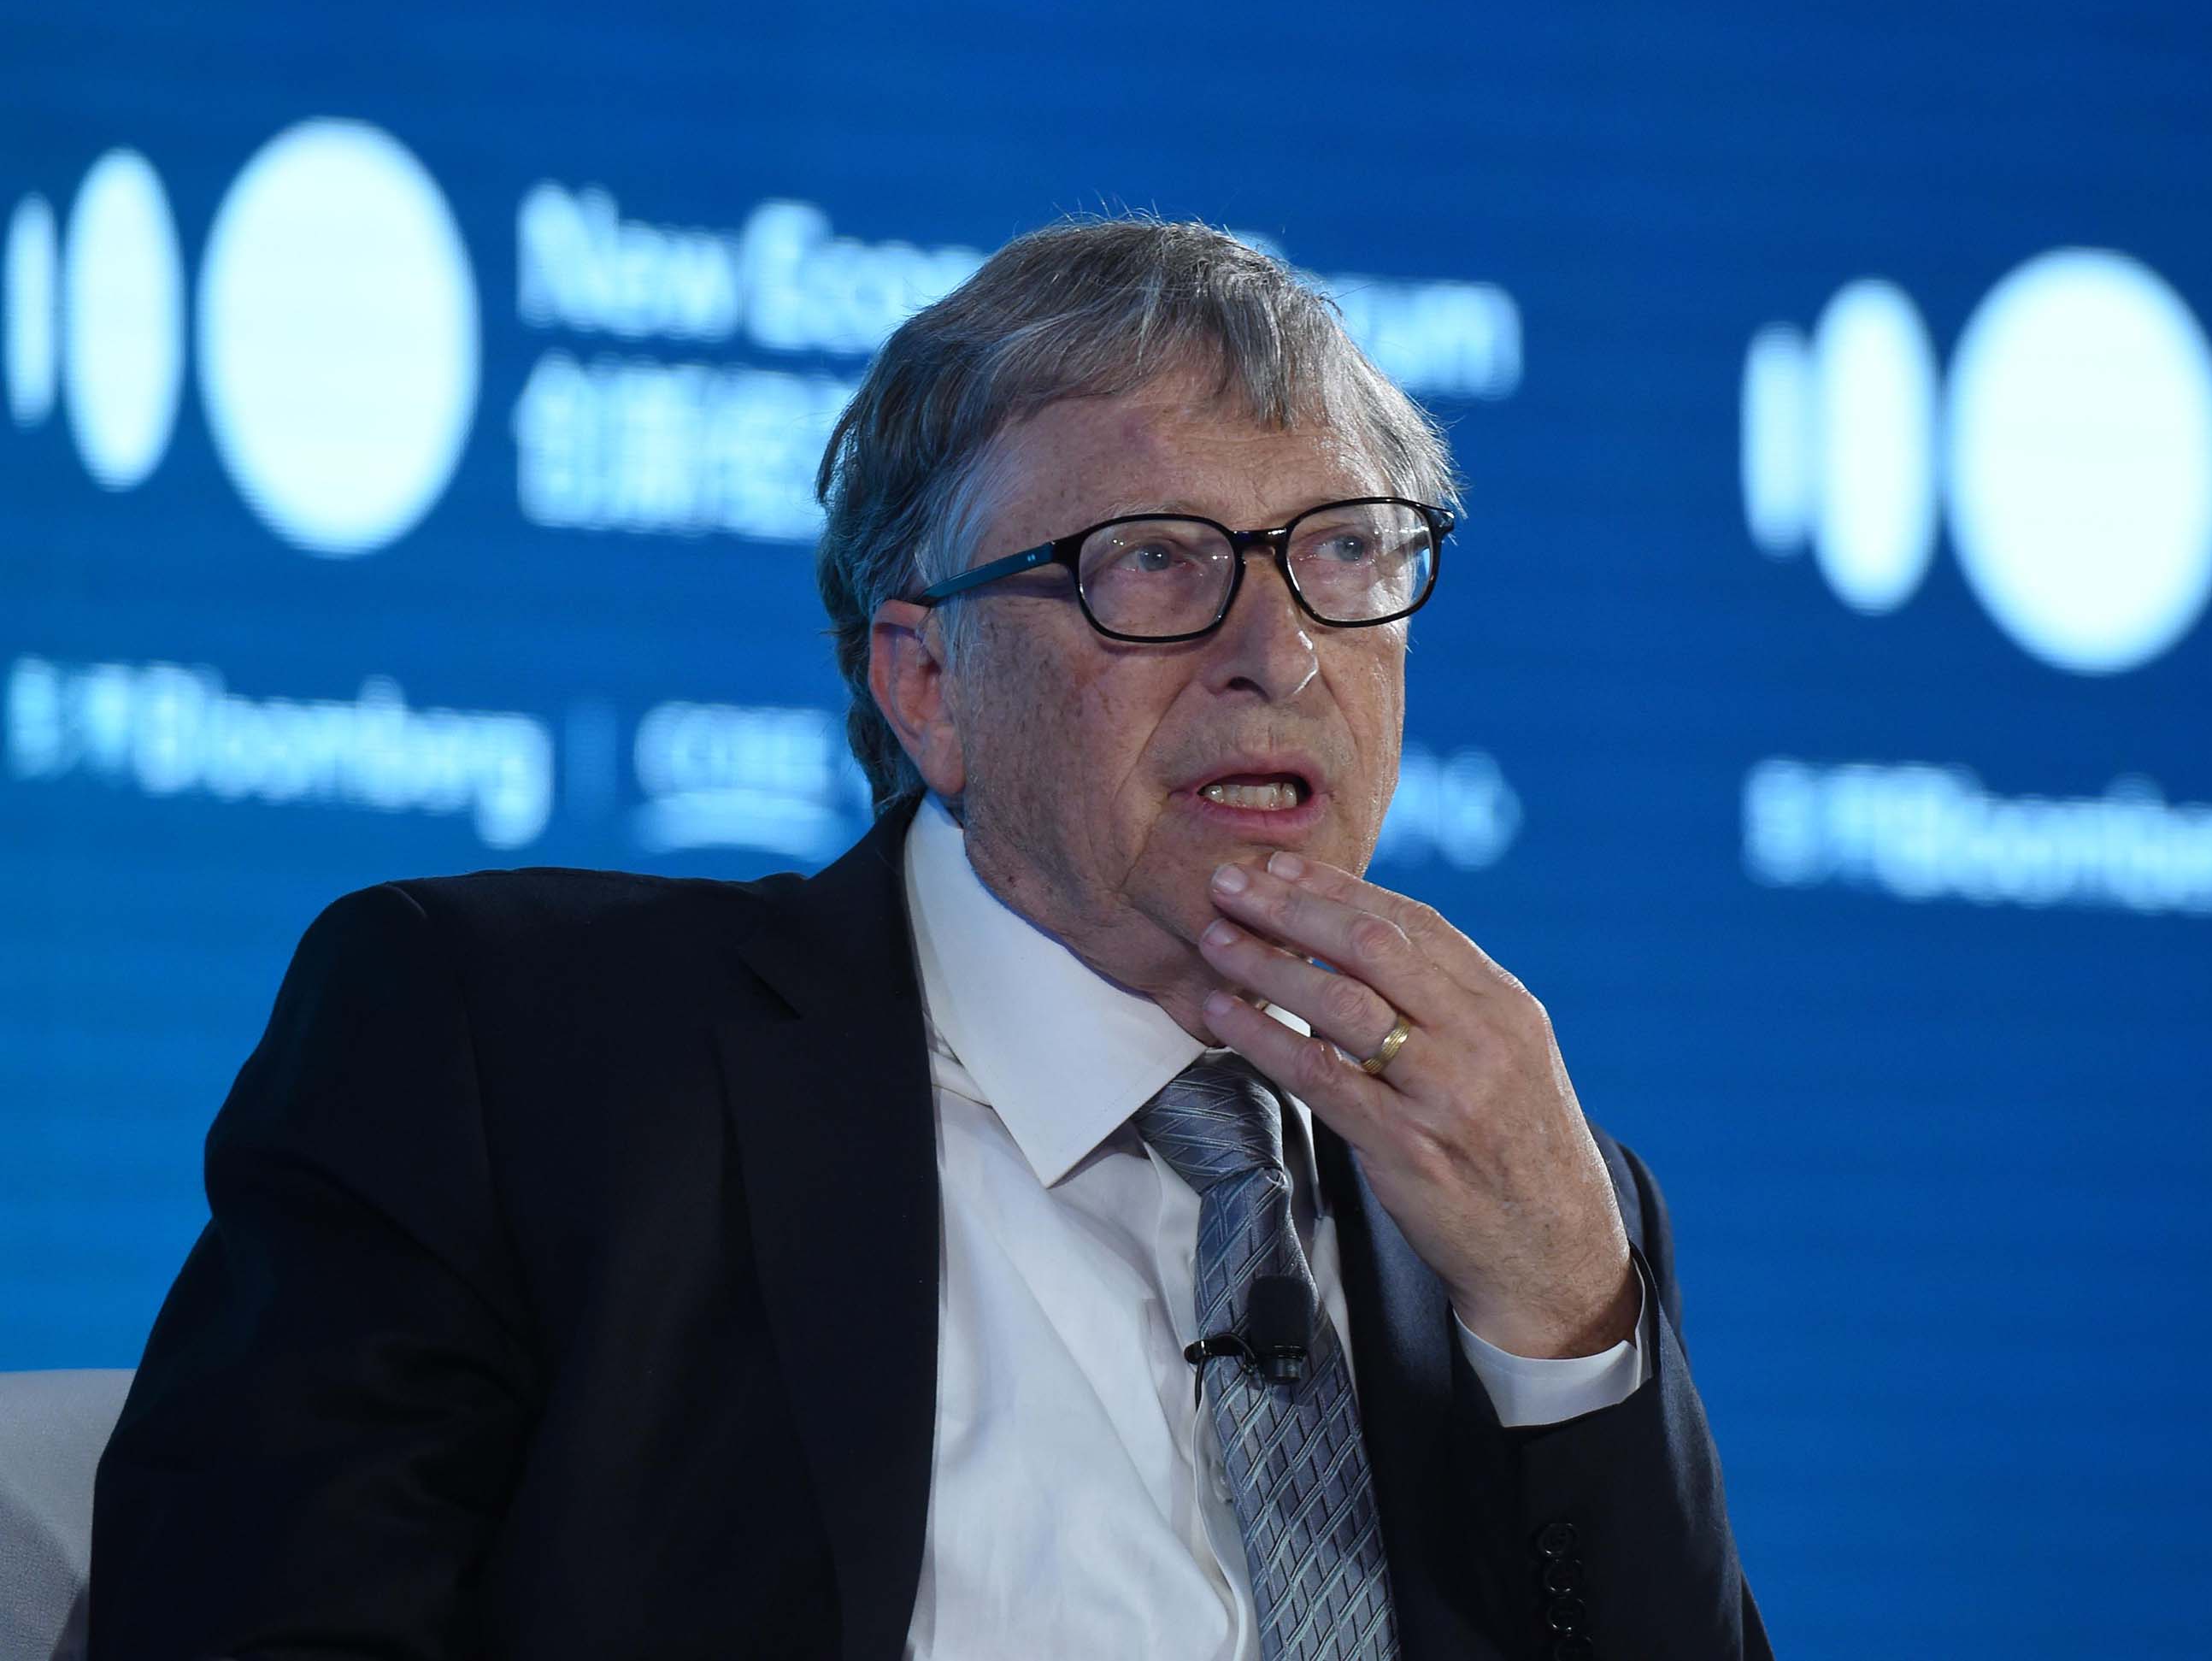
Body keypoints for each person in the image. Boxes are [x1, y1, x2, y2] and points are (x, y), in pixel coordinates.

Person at [91, 218, 1773, 1659]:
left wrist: (1573, 1319)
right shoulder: (511, 1053)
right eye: (1158, 561)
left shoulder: (1523, 1197)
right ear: (925, 678)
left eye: (1347, 552)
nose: (1286, 650)